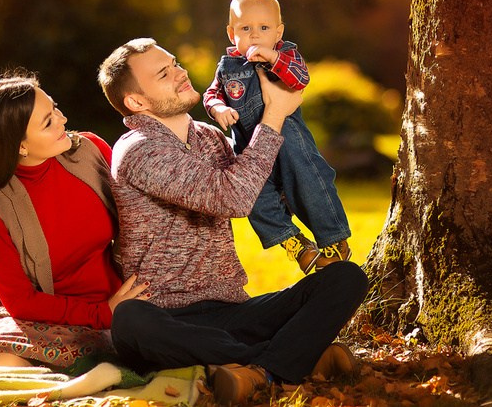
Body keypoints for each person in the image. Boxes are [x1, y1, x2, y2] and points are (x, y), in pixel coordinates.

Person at [97, 38, 368, 403]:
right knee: (130, 321)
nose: (180, 73)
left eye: (175, 63)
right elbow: (233, 197)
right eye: (164, 73)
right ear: (137, 102)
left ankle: (262, 366)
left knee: (346, 278)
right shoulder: (138, 150)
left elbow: (260, 186)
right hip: (168, 318)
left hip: (233, 311)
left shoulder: (210, 137)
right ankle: (282, 361)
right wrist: (274, 114)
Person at [0, 73, 148, 373]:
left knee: (148, 351)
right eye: (48, 122)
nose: (63, 119)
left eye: (55, 109)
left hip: (114, 301)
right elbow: (22, 302)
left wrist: (116, 307)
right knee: (6, 368)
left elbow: (141, 220)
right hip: (39, 316)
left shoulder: (91, 151)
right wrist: (101, 314)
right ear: (20, 146)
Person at [204, 0, 352, 274]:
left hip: (288, 137)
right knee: (253, 197)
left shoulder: (286, 55)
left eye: (264, 28)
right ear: (232, 34)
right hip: (248, 146)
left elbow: (301, 79)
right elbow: (212, 94)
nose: (255, 35)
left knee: (309, 179)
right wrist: (218, 108)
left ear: (278, 32)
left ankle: (334, 238)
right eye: (246, 28)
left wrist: (273, 59)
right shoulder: (227, 67)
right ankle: (294, 242)